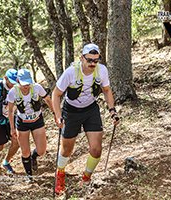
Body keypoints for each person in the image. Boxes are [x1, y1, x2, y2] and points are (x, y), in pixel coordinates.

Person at [52, 43, 120, 194]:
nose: (93, 64)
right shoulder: (70, 73)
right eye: (89, 60)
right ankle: (60, 174)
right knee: (67, 149)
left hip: (91, 109)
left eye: (96, 60)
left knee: (96, 149)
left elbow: (107, 90)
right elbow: (56, 94)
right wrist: (58, 116)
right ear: (81, 58)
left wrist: (112, 111)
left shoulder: (101, 70)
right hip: (71, 111)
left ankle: (86, 178)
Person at [7, 68, 55, 182]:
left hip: (37, 120)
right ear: (18, 81)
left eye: (28, 83)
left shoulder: (37, 87)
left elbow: (48, 99)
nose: (26, 86)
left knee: (41, 150)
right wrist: (12, 128)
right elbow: (10, 111)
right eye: (24, 84)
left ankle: (34, 157)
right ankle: (30, 176)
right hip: (22, 123)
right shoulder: (13, 92)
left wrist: (55, 113)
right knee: (25, 151)